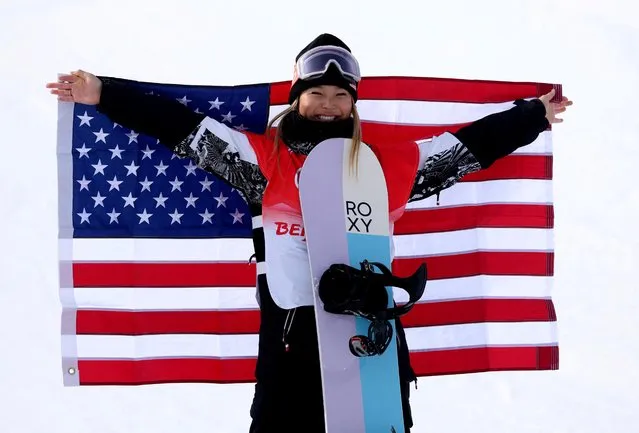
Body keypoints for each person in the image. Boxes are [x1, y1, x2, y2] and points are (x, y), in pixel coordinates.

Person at [46, 33, 572, 433]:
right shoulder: (260, 160)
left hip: (371, 329)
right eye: (316, 92)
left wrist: (534, 116)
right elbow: (181, 128)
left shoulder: (388, 163)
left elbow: (468, 148)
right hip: (291, 330)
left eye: (339, 96)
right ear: (298, 98)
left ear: (354, 103)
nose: (327, 104)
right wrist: (103, 93)